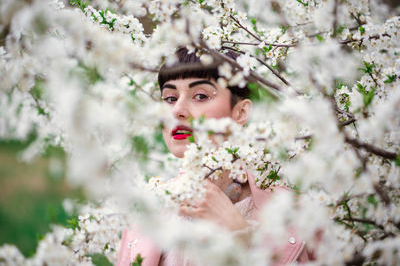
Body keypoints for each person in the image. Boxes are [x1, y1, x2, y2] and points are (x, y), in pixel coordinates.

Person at [117, 48, 311, 266]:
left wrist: (239, 233)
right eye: (170, 98)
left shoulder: (297, 213)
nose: (177, 111)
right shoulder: (146, 212)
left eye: (200, 96)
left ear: (240, 112)